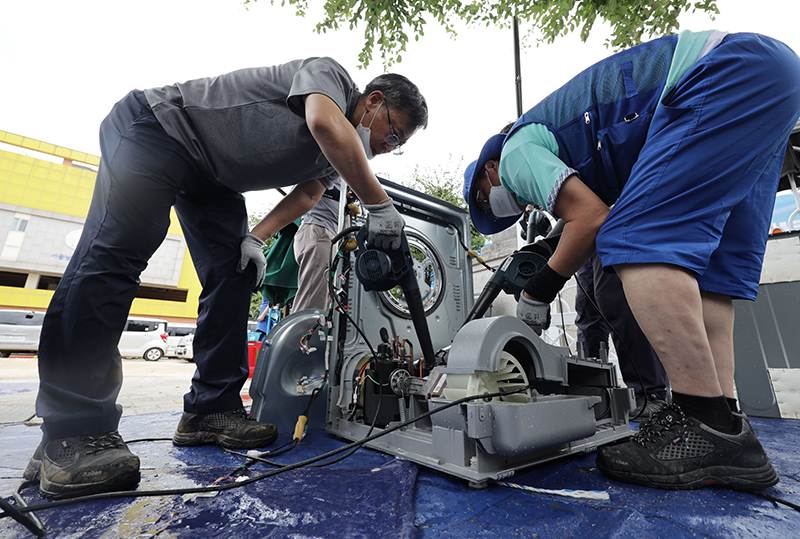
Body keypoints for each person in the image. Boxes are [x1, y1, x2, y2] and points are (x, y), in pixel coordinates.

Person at [27, 58, 428, 499]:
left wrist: (255, 238)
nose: (388, 146)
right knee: (114, 257)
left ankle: (209, 410)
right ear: (373, 101)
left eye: (398, 145)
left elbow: (311, 192)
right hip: (158, 129)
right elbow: (322, 121)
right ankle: (72, 431)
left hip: (213, 180)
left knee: (237, 270)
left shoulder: (334, 158)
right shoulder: (329, 78)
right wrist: (379, 203)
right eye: (392, 133)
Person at [464, 30, 800, 490]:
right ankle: (726, 423)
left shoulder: (516, 151)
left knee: (634, 238)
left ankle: (701, 422)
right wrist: (551, 249)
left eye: (487, 200)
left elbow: (594, 220)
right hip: (772, 76)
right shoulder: (580, 153)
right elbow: (592, 212)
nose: (505, 206)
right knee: (709, 276)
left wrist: (539, 289)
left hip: (720, 73)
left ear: (489, 170)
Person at [574, 253, 669, 420]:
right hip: (585, 243)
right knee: (587, 312)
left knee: (617, 302)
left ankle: (650, 393)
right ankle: (596, 390)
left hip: (610, 231)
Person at [292, 187, 342, 312]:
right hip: (320, 229)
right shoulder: (335, 168)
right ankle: (301, 332)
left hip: (322, 231)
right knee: (312, 305)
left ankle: (305, 330)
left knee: (319, 300)